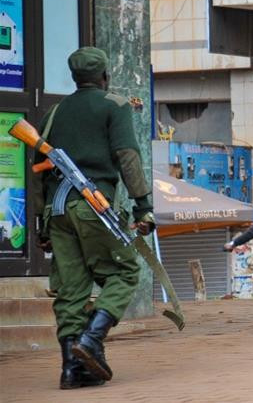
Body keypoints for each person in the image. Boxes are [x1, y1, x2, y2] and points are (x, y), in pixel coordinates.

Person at [36, 47, 155, 388]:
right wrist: (142, 205)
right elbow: (127, 156)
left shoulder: (54, 112)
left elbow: (37, 172)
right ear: (105, 76)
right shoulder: (113, 105)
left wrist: (38, 222)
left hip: (56, 210)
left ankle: (72, 370)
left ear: (74, 78)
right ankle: (92, 338)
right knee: (125, 270)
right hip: (93, 205)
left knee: (70, 290)